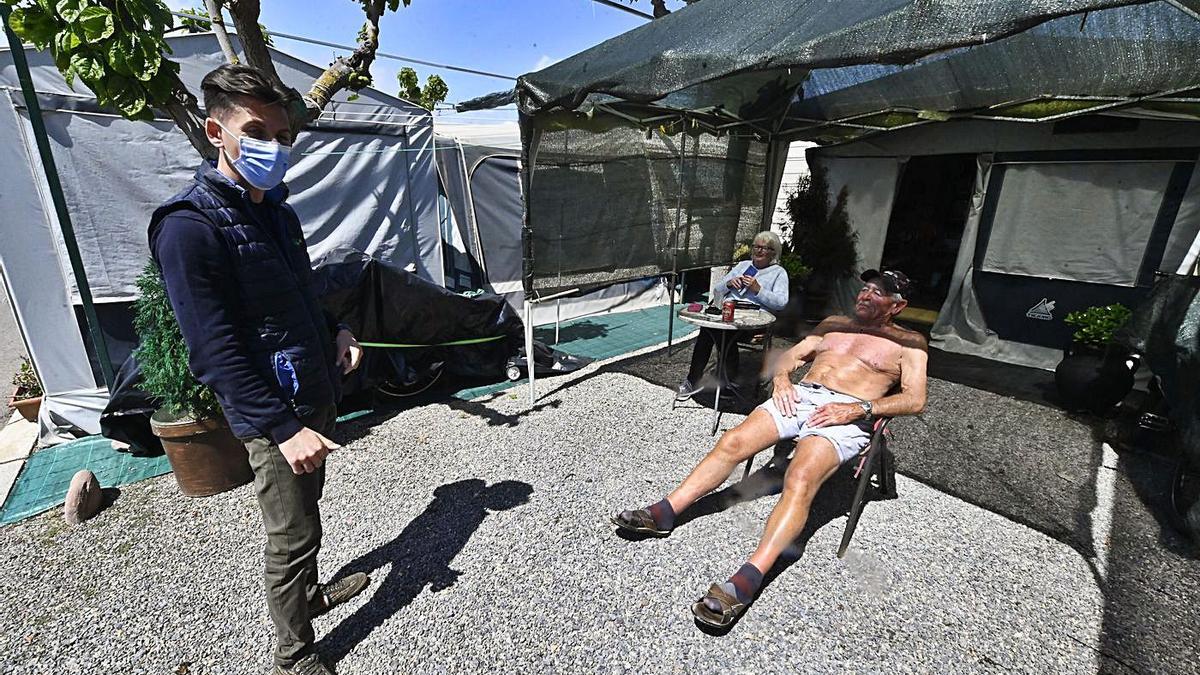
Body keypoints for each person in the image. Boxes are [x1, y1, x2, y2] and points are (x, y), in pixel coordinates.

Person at [148, 64, 370, 674]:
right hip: (275, 415)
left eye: (281, 133)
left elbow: (296, 295)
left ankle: (311, 595)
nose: (273, 147)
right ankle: (294, 653)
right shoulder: (189, 228)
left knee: (308, 511)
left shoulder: (276, 213)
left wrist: (335, 330)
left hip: (311, 390)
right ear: (215, 131)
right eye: (256, 131)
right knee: (289, 532)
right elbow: (213, 352)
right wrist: (281, 427)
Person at [616, 269, 927, 628]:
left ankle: (747, 579)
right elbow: (790, 358)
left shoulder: (909, 343)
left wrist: (861, 409)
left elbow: (915, 399)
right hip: (801, 396)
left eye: (878, 293)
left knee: (801, 475)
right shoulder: (834, 324)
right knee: (732, 442)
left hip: (848, 413)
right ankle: (665, 512)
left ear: (897, 305)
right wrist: (781, 380)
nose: (866, 295)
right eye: (866, 288)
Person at [678, 231, 790, 399]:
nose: (758, 251)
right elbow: (717, 290)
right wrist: (729, 284)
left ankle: (723, 380)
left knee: (716, 332)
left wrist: (758, 290)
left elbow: (781, 303)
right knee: (709, 329)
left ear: (773, 252)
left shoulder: (778, 272)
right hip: (729, 310)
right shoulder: (743, 266)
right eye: (756, 247)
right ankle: (699, 380)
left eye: (764, 248)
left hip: (753, 319)